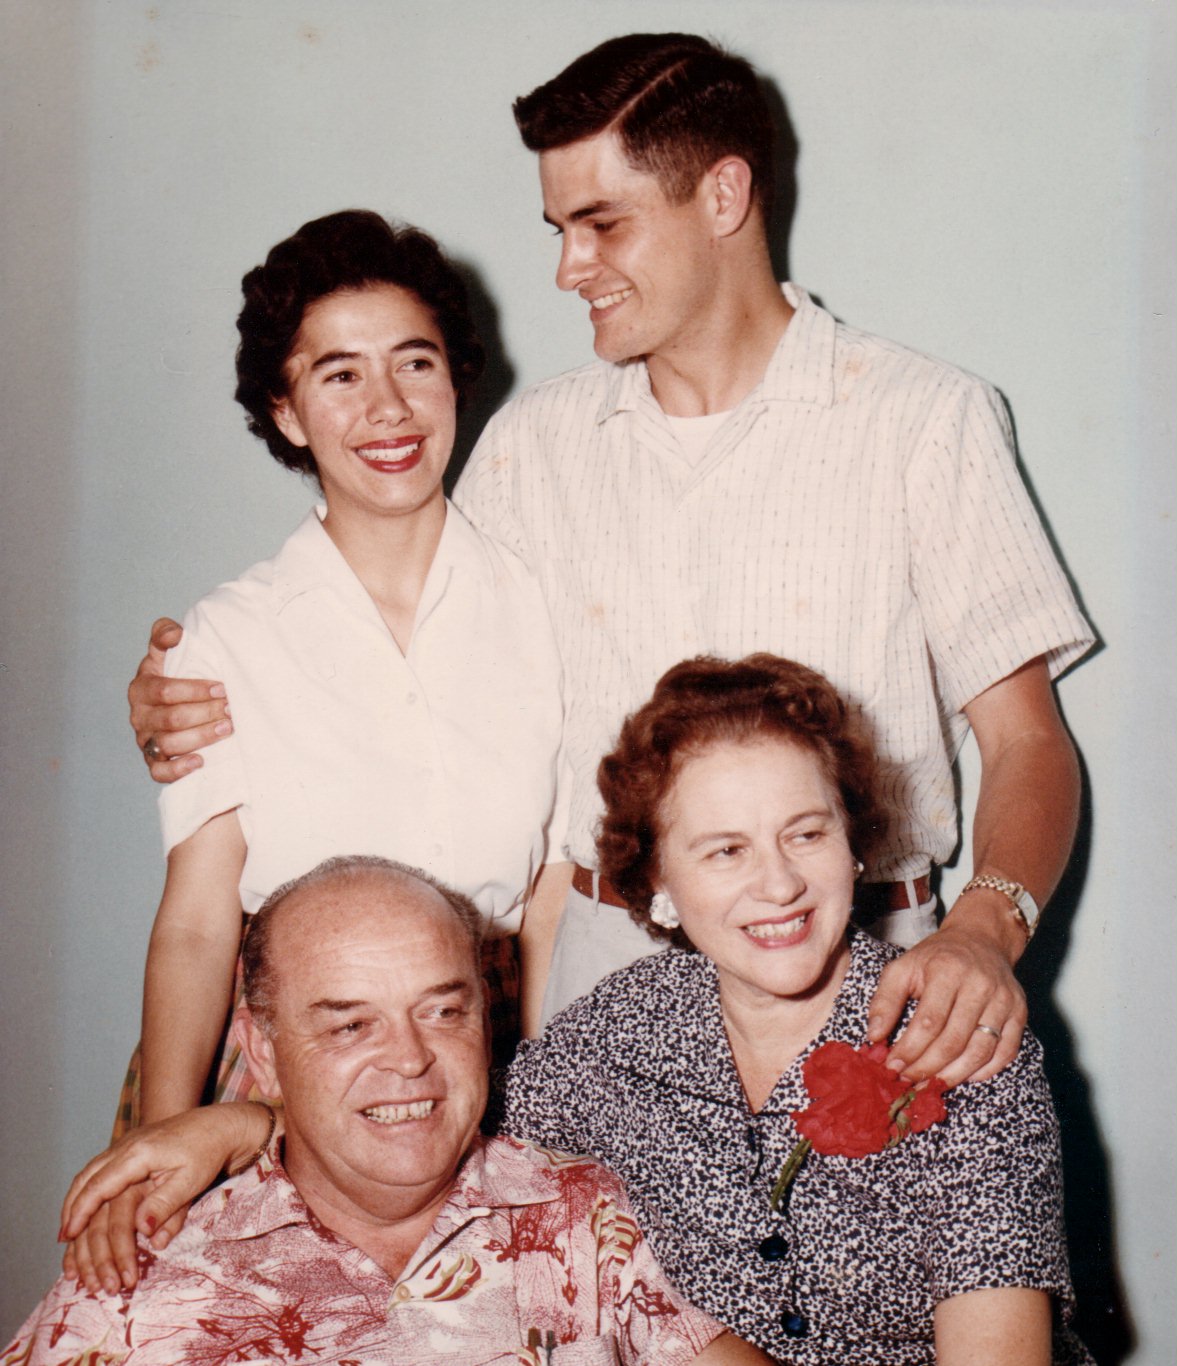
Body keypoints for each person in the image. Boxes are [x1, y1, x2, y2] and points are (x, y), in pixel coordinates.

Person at [125, 34, 1092, 1087]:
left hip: (861, 969)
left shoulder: (924, 420)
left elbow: (1027, 741)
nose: (565, 267)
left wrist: (986, 931)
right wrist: (184, 695)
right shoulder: (533, 447)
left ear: (723, 197)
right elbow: (381, 629)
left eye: (600, 225)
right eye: (558, 228)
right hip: (596, 979)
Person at [56, 660, 1091, 1364]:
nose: (774, 882)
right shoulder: (610, 1037)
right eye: (723, 849)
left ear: (855, 847)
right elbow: (431, 1117)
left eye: (805, 833)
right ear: (662, 890)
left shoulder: (958, 1037)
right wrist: (240, 1122)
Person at [121, 210, 568, 1149]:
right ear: (285, 413)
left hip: (485, 1056)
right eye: (340, 375)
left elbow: (550, 893)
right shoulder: (226, 637)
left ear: (454, 377)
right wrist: (165, 1143)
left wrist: (539, 1108)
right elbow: (199, 922)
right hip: (284, 1079)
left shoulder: (542, 601)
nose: (388, 409)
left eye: (414, 362)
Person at [8, 857, 768, 1365]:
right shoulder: (135, 1283)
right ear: (263, 1053)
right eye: (350, 1025)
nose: (409, 1059)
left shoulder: (584, 1216)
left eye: (442, 1012)